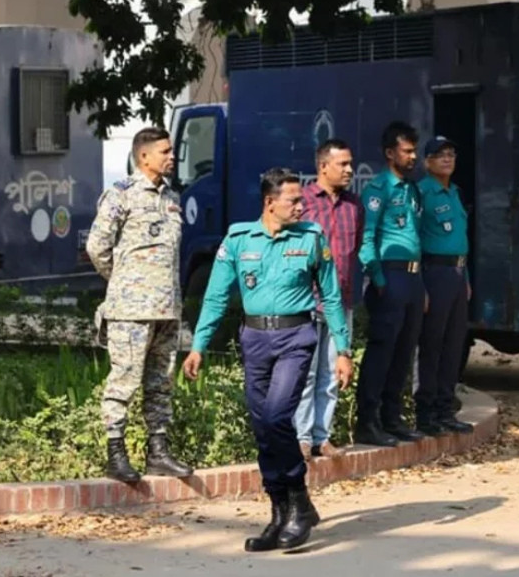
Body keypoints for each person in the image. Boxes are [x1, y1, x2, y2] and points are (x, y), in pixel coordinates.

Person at [183, 168, 353, 552]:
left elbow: (331, 297)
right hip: (255, 340)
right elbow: (216, 296)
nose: (301, 206)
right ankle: (280, 513)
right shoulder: (239, 239)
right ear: (269, 202)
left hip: (296, 338)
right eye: (293, 200)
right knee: (263, 427)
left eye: (301, 199)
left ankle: (299, 501)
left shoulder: (311, 238)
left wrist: (343, 350)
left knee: (277, 416)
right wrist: (199, 345)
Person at [86, 126, 194, 484]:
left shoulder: (171, 197)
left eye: (171, 150)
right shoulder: (121, 195)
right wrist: (123, 282)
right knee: (124, 382)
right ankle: (115, 453)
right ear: (143, 156)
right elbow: (97, 247)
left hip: (167, 308)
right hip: (130, 310)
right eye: (165, 151)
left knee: (161, 383)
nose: (172, 156)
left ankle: (158, 452)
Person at [355, 121, 427, 446]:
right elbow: (367, 238)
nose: (413, 156)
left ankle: (392, 417)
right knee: (382, 351)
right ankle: (367, 421)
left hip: (412, 277)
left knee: (404, 351)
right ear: (389, 153)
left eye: (414, 150)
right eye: (406, 151)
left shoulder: (412, 189)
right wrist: (378, 278)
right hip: (390, 275)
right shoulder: (378, 189)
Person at [295, 139, 363, 460]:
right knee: (306, 373)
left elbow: (354, 249)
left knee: (333, 374)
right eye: (343, 164)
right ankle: (302, 438)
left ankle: (322, 438)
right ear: (323, 167)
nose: (350, 170)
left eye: (351, 164)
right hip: (306, 301)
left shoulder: (354, 205)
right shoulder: (303, 202)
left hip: (341, 302)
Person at [414, 136, 474, 435]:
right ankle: (426, 413)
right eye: (440, 155)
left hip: (457, 274)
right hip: (434, 272)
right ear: (427, 162)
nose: (447, 159)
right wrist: (420, 286)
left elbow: (461, 240)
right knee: (432, 344)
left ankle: (445, 409)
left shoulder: (455, 193)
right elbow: (414, 241)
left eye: (451, 154)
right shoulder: (421, 193)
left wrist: (466, 279)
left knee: (454, 344)